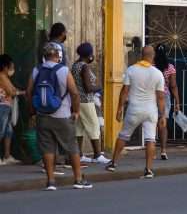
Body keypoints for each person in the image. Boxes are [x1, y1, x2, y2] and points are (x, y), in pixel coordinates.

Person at [27, 43, 92, 190]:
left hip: (42, 115)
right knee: (72, 147)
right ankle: (78, 179)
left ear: (44, 55)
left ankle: (50, 181)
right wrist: (76, 112)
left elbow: (29, 92)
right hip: (62, 115)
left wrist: (32, 112)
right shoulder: (63, 70)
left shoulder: (36, 70)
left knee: (47, 148)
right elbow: (74, 93)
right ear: (58, 55)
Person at [105, 46, 166, 179]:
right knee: (150, 139)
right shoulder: (157, 73)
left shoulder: (131, 70)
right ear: (153, 56)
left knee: (123, 135)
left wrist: (119, 108)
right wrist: (163, 115)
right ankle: (148, 169)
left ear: (141, 55)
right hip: (151, 111)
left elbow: (124, 91)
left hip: (134, 109)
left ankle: (113, 163)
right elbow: (161, 97)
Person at [71, 42, 110, 164]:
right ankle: (98, 155)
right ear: (89, 55)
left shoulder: (75, 65)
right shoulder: (84, 67)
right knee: (94, 126)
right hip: (86, 101)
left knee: (79, 128)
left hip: (76, 101)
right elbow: (88, 87)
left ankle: (79, 154)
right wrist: (98, 87)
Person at [154, 44, 181, 160]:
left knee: (151, 124)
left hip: (151, 96)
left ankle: (152, 150)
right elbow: (173, 86)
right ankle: (163, 150)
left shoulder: (151, 66)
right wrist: (177, 102)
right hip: (164, 97)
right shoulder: (170, 67)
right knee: (163, 124)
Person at [0, 54, 25, 165]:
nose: (12, 69)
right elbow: (11, 92)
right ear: (5, 67)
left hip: (7, 106)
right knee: (1, 131)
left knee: (8, 132)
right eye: (11, 66)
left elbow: (13, 90)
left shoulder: (5, 77)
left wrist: (17, 92)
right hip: (2, 106)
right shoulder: (1, 76)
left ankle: (7, 156)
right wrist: (22, 92)